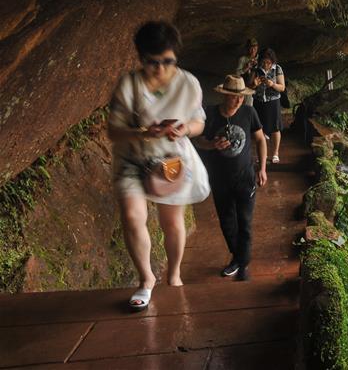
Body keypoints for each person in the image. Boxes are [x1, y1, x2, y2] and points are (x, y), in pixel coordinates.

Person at [107, 21, 210, 312]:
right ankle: (146, 279)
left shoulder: (188, 83)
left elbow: (199, 122)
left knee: (172, 222)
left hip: (169, 159)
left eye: (168, 61)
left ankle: (174, 274)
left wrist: (184, 129)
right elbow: (114, 131)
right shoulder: (129, 84)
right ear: (141, 58)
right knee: (132, 216)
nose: (162, 69)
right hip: (132, 157)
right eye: (154, 63)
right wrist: (143, 132)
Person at [195, 75, 267, 281]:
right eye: (234, 96)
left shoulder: (248, 112)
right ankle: (238, 257)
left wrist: (262, 168)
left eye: (241, 97)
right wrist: (212, 145)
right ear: (224, 95)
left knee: (244, 221)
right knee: (227, 222)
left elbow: (261, 139)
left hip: (245, 177)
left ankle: (242, 263)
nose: (238, 100)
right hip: (219, 178)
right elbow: (199, 141)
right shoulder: (209, 114)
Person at [253, 48, 286, 163]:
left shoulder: (277, 68)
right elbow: (249, 87)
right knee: (259, 128)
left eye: (268, 62)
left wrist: (272, 84)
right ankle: (263, 154)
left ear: (272, 61)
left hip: (273, 101)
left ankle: (275, 153)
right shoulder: (256, 69)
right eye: (264, 62)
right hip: (259, 100)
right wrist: (254, 84)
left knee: (275, 128)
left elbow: (282, 87)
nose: (266, 64)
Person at [235, 38, 259, 106]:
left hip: (259, 88)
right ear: (247, 48)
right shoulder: (242, 59)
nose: (253, 50)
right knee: (248, 107)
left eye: (254, 47)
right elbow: (237, 74)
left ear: (257, 47)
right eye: (250, 47)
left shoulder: (260, 58)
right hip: (247, 88)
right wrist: (246, 68)